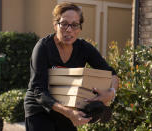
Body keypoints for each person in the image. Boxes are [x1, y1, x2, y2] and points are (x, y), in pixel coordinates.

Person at [24, 2, 119, 131]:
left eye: (74, 25)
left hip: (68, 105)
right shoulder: (43, 47)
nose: (69, 29)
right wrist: (69, 113)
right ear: (55, 25)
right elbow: (39, 91)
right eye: (64, 24)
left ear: (79, 28)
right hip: (39, 109)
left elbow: (111, 74)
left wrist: (111, 93)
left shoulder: (84, 48)